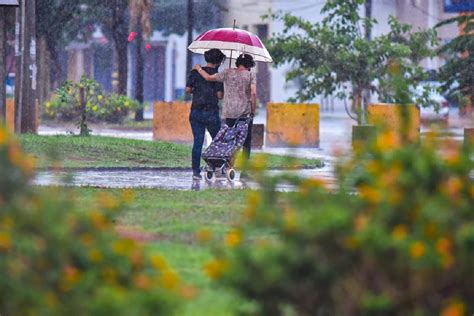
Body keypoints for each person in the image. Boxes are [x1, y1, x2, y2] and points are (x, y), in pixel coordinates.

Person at [194, 53, 257, 160]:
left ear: (238, 63)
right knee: (246, 143)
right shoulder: (251, 75)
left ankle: (227, 165)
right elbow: (253, 93)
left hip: (229, 113)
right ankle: (245, 171)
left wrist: (199, 69)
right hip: (244, 114)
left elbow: (209, 78)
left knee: (228, 140)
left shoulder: (227, 72)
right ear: (249, 65)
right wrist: (253, 111)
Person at [186, 49, 226, 180]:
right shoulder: (218, 75)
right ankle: (216, 167)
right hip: (211, 112)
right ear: (218, 62)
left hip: (196, 111)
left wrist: (199, 90)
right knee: (217, 141)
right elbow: (220, 96)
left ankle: (196, 173)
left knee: (198, 142)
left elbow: (188, 90)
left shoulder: (195, 72)